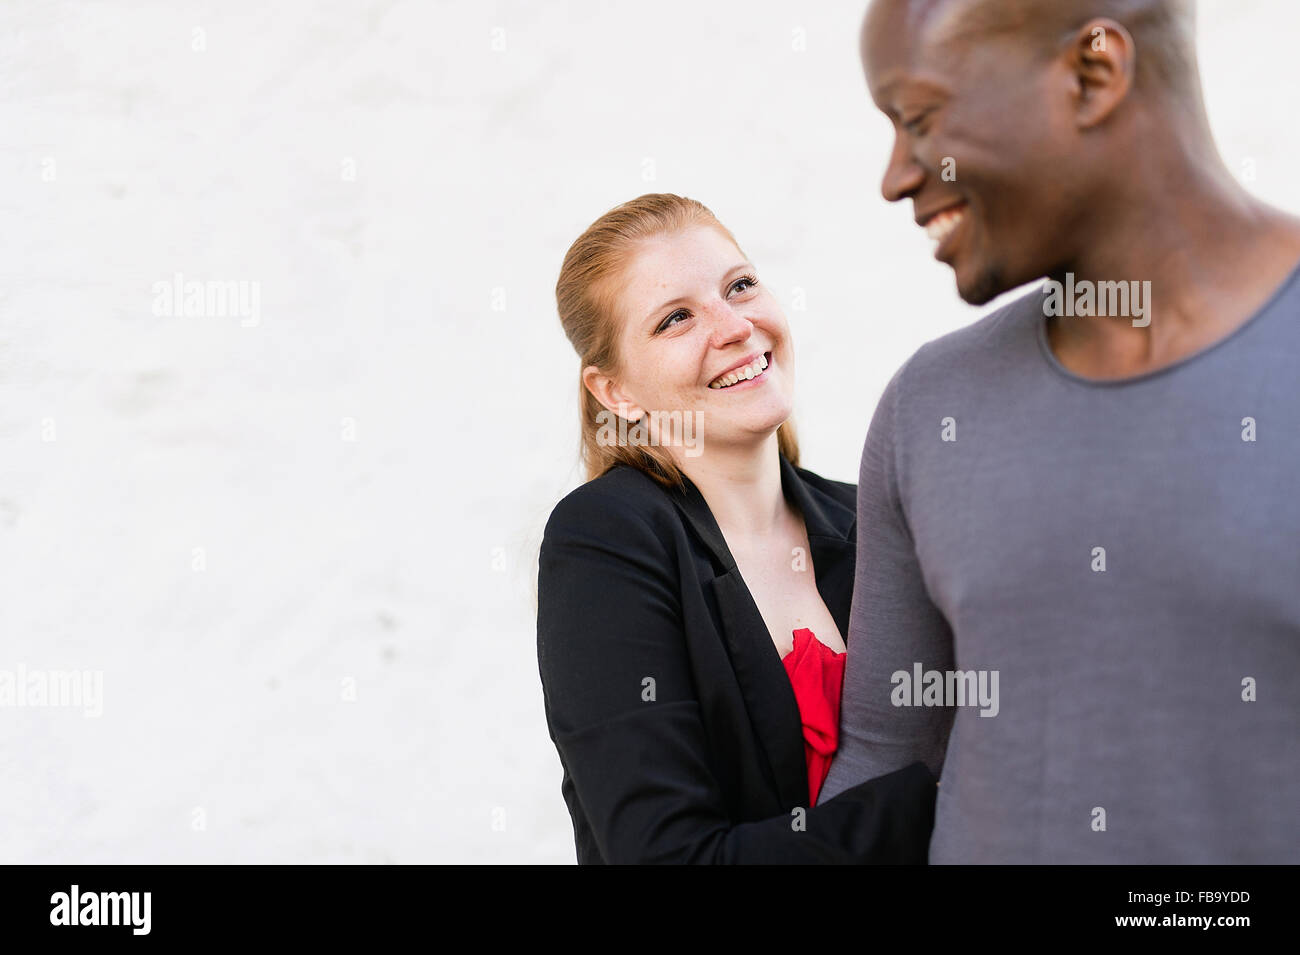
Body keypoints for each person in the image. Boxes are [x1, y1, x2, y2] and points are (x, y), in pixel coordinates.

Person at [818, 0, 1300, 863]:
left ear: (1093, 74)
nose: (896, 175)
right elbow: (883, 767)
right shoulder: (932, 408)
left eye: (920, 120)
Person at [537, 193, 937, 863]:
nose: (734, 327)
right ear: (615, 392)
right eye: (676, 318)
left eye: (741, 285)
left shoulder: (878, 520)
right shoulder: (606, 538)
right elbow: (670, 856)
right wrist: (944, 796)